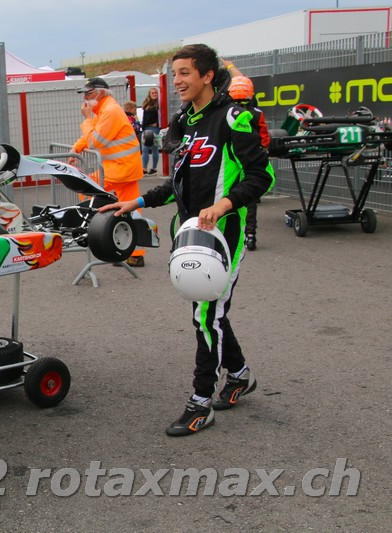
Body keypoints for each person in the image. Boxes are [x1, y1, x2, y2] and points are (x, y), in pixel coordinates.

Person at [99, 44, 275, 436]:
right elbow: (178, 184)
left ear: (208, 76)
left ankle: (200, 402)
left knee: (206, 315)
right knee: (209, 312)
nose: (176, 81)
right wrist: (136, 202)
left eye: (185, 73)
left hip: (224, 234)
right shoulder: (188, 122)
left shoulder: (234, 118)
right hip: (189, 231)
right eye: (174, 74)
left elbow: (262, 176)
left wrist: (224, 205)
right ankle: (239, 374)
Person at [70, 77, 146, 267]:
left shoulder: (109, 111)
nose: (85, 98)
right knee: (131, 208)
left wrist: (87, 119)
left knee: (86, 187)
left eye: (88, 93)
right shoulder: (104, 110)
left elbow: (95, 141)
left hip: (120, 168)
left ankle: (103, 230)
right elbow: (91, 136)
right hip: (123, 167)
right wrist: (76, 148)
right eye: (84, 94)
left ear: (101, 93)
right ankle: (134, 252)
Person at [223, 60, 271, 251]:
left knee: (230, 195)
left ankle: (236, 232)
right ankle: (250, 234)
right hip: (250, 160)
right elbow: (265, 138)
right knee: (248, 199)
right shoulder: (256, 112)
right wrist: (261, 151)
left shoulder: (227, 113)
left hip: (233, 161)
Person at [141, 87, 161, 175]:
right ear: (149, 94)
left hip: (154, 128)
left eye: (156, 93)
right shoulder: (146, 104)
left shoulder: (159, 104)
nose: (154, 94)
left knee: (154, 148)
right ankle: (144, 168)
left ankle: (154, 168)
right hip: (146, 128)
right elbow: (144, 117)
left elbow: (161, 115)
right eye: (153, 93)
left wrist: (158, 123)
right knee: (145, 149)